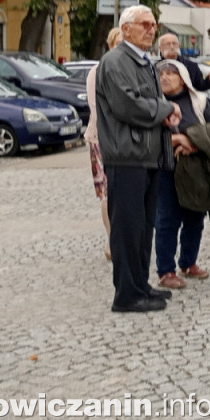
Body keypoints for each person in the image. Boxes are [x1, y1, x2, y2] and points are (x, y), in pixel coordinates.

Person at [95, 5, 181, 313]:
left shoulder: (144, 61)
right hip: (127, 155)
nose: (151, 29)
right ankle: (126, 294)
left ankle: (140, 284)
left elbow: (151, 101)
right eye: (144, 24)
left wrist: (165, 111)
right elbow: (127, 105)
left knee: (145, 226)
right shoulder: (116, 61)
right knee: (128, 227)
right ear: (126, 28)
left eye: (154, 24)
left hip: (148, 154)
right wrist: (166, 110)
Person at [153, 60, 210, 289]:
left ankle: (188, 262)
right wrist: (173, 139)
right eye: (161, 74)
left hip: (196, 169)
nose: (165, 77)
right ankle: (166, 270)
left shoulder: (200, 101)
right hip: (166, 170)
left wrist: (192, 141)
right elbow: (147, 138)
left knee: (195, 218)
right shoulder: (153, 104)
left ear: (183, 77)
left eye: (171, 73)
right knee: (167, 220)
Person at [85, 26, 123, 262]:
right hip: (101, 138)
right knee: (107, 193)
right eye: (118, 43)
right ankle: (111, 241)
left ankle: (124, 238)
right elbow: (96, 108)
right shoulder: (97, 71)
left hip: (124, 141)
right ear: (110, 46)